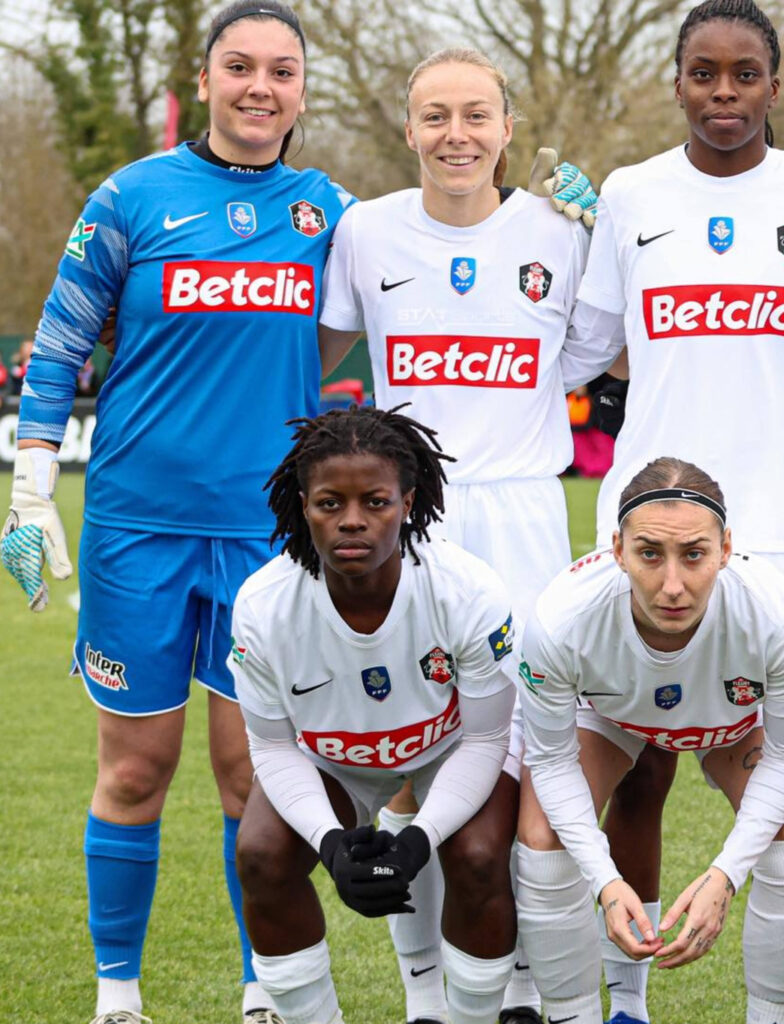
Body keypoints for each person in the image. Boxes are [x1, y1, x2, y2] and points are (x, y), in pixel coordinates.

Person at [0, 5, 352, 1021]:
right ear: (204, 80)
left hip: (270, 537)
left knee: (253, 770)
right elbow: (59, 345)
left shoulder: (333, 210)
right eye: (238, 66)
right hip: (136, 528)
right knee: (138, 767)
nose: (260, 86)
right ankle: (118, 995)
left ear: (300, 89)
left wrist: (554, 225)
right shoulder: (130, 197)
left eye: (281, 70)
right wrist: (32, 493)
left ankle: (264, 989)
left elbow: (437, 266)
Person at [560, 2, 784, 1015]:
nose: (723, 94)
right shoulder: (631, 192)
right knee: (635, 772)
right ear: (677, 82)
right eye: (704, 74)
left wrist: (764, 391)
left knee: (783, 774)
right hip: (651, 527)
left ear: (774, 85)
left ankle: (771, 1009)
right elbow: (598, 336)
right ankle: (624, 1000)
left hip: (783, 522)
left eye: (744, 76)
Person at [315, 44, 604, 1023]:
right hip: (413, 522)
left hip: (524, 509)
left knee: (521, 749)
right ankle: (424, 995)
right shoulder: (364, 233)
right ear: (408, 130)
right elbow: (316, 354)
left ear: (509, 127)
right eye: (435, 115)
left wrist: (612, 224)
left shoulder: (559, 234)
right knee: (414, 752)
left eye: (476, 114)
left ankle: (518, 979)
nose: (456, 134)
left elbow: (605, 346)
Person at [230, 405, 522, 1024]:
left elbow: (488, 737)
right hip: (333, 761)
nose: (352, 521)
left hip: (452, 749)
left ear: (409, 502)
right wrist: (331, 844)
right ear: (302, 506)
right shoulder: (264, 607)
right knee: (261, 855)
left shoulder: (466, 591)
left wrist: (417, 838)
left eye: (376, 502)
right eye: (330, 504)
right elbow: (274, 749)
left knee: (475, 857)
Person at [518, 457, 784, 1024]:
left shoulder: (777, 616)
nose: (673, 585)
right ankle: (592, 1013)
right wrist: (605, 883)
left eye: (695, 554)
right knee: (541, 838)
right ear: (618, 549)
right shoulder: (561, 618)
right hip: (614, 715)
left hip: (729, 720)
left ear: (726, 548)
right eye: (650, 554)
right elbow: (551, 761)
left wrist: (726, 874)